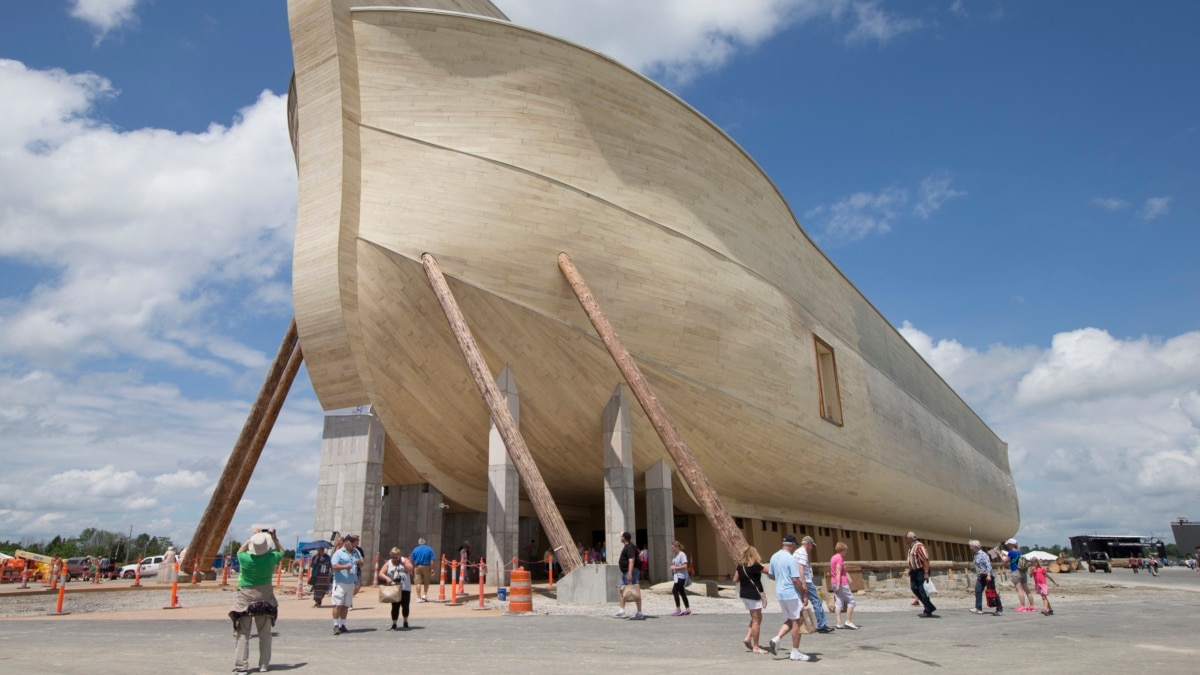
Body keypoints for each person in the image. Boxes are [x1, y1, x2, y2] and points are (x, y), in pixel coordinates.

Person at [228, 528, 283, 675]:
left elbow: (240, 550)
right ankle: (264, 664)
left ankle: (241, 666)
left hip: (245, 599)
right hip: (265, 599)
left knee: (243, 634)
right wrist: (274, 537)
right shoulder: (271, 558)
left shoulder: (244, 558)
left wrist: (252, 537)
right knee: (265, 634)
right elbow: (281, 550)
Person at [765, 534, 810, 662]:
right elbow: (795, 579)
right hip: (791, 592)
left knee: (790, 619)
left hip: (780, 593)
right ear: (791, 545)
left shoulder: (774, 556)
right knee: (797, 621)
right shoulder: (791, 559)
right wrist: (803, 593)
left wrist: (781, 577)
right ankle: (795, 651)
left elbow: (771, 575)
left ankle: (777, 638)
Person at [733, 545, 769, 654]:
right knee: (757, 620)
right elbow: (768, 571)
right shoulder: (756, 566)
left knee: (755, 618)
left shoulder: (740, 566)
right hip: (754, 594)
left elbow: (735, 579)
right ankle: (756, 646)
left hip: (744, 593)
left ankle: (748, 637)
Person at [795, 536, 834, 633]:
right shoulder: (803, 553)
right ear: (808, 544)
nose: (812, 548)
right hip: (806, 581)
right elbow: (801, 568)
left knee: (800, 603)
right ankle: (822, 625)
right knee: (817, 602)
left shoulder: (796, 552)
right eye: (812, 545)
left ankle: (800, 625)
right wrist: (804, 583)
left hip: (796, 580)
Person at [330, 534, 360, 635]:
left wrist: (359, 561)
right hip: (340, 582)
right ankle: (335, 625)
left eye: (354, 541)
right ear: (347, 542)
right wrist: (344, 567)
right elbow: (334, 566)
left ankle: (342, 624)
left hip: (351, 581)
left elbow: (362, 563)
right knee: (338, 604)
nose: (354, 543)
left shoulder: (356, 552)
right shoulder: (339, 553)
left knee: (346, 605)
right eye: (352, 541)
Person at [378, 546, 413, 630]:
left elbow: (410, 569)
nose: (394, 559)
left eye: (396, 557)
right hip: (394, 587)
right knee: (395, 606)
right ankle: (394, 623)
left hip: (405, 587)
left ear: (399, 555)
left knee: (405, 605)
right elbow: (381, 573)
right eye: (392, 557)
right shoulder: (389, 563)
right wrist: (387, 578)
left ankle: (405, 621)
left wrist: (403, 564)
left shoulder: (405, 560)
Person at [613, 532, 644, 619]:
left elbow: (631, 560)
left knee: (635, 590)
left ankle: (639, 612)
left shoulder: (630, 547)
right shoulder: (627, 547)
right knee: (621, 589)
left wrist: (630, 573)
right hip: (626, 572)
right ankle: (622, 610)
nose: (620, 537)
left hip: (631, 572)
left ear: (625, 538)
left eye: (621, 536)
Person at [905, 531, 937, 617]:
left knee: (922, 590)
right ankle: (930, 606)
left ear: (910, 539)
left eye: (906, 538)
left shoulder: (919, 547)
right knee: (914, 588)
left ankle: (928, 609)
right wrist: (911, 569)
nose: (905, 540)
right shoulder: (911, 547)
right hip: (914, 571)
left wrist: (926, 572)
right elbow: (913, 560)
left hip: (921, 571)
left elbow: (925, 560)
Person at [829, 541, 858, 629]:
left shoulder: (833, 557)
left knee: (839, 601)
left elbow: (842, 571)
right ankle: (848, 621)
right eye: (845, 550)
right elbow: (838, 571)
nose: (846, 552)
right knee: (851, 601)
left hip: (833, 581)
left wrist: (849, 578)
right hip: (841, 583)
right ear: (842, 550)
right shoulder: (839, 559)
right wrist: (839, 584)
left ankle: (839, 622)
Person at [969, 539, 1002, 615]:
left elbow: (988, 565)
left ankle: (999, 609)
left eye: (971, 546)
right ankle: (978, 607)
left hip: (987, 575)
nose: (970, 548)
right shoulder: (976, 554)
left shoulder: (983, 554)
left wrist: (989, 575)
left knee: (993, 592)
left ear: (976, 546)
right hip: (981, 575)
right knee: (978, 590)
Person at [1005, 538, 1035, 611]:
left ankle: (1022, 606)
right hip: (1023, 572)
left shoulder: (1011, 552)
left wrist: (999, 555)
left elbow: (1005, 561)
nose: (1008, 546)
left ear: (1011, 544)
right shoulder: (1020, 552)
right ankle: (1032, 606)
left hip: (1016, 571)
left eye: (1008, 544)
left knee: (1019, 589)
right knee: (1026, 589)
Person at [409, 538, 435, 602]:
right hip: (426, 566)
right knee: (426, 581)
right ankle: (425, 595)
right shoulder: (429, 549)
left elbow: (411, 560)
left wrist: (411, 569)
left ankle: (419, 598)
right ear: (424, 542)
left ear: (419, 543)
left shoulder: (415, 549)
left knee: (418, 582)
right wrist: (432, 569)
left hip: (417, 566)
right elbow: (432, 560)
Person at [669, 540, 691, 616]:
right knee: (682, 592)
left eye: (673, 548)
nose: (672, 549)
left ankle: (678, 609)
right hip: (676, 576)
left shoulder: (682, 554)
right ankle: (688, 609)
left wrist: (675, 567)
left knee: (674, 591)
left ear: (677, 547)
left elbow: (685, 566)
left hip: (681, 576)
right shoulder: (676, 555)